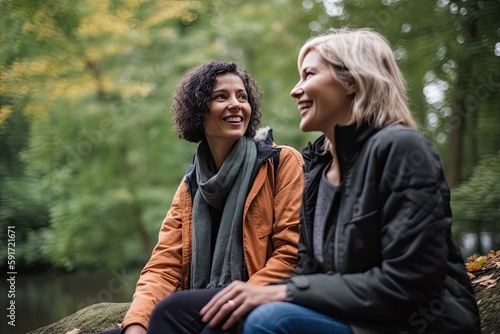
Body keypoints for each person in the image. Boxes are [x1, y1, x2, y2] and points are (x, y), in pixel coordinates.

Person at [199, 28, 481, 334]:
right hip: (352, 319)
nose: (296, 90)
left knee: (270, 321)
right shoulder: (317, 168)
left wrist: (284, 292)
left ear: (352, 80)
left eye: (308, 75)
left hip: (413, 325)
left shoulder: (401, 148)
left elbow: (408, 283)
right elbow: (308, 269)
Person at [100, 61, 304, 334]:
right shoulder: (191, 185)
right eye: (221, 96)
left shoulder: (281, 162)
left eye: (242, 96)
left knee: (174, 314)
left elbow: (291, 255)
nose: (236, 104)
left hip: (262, 299)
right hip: (202, 302)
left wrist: (240, 296)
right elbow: (163, 267)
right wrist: (136, 322)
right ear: (198, 111)